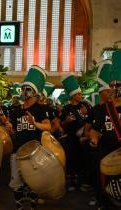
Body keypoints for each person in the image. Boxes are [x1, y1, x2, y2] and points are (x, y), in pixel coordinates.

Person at [9, 65, 51, 210]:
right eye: (23, 88)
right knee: (16, 183)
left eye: (28, 89)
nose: (24, 91)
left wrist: (35, 123)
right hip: (17, 151)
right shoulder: (15, 111)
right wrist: (10, 129)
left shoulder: (41, 109)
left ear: (35, 93)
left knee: (34, 183)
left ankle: (32, 207)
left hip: (34, 151)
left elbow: (48, 126)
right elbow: (14, 131)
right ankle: (20, 207)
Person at [90, 51, 121, 210]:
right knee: (106, 190)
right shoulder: (103, 109)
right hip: (106, 155)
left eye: (119, 85)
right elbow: (95, 130)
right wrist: (94, 138)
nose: (116, 88)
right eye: (114, 85)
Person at [60, 74, 91, 191]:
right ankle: (72, 182)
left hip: (83, 137)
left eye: (80, 94)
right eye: (78, 94)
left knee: (82, 159)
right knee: (71, 159)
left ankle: (82, 182)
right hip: (71, 137)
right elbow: (61, 124)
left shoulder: (85, 105)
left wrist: (85, 113)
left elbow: (91, 119)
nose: (80, 95)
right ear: (73, 95)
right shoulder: (66, 108)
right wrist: (66, 121)